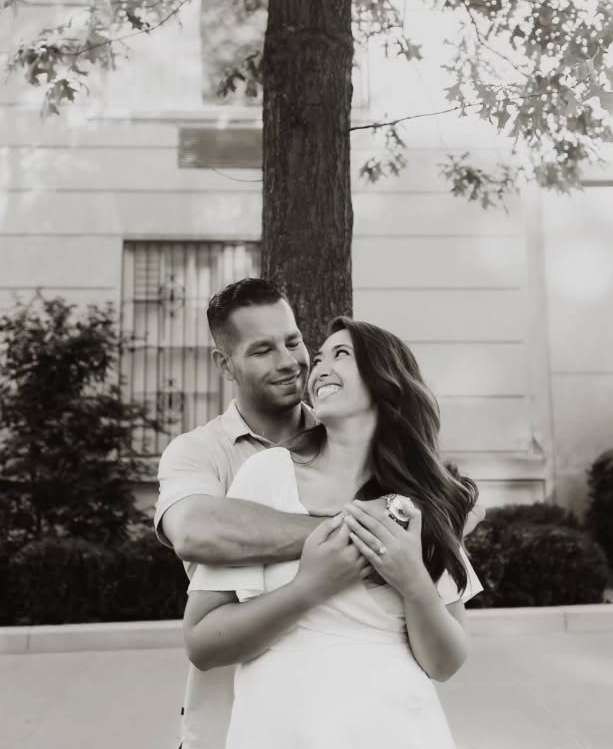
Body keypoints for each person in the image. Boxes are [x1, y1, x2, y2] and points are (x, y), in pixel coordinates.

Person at [182, 316, 481, 749]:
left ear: (387, 382)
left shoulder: (423, 500)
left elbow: (444, 664)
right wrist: (310, 587)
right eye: (319, 357)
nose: (319, 368)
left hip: (401, 731)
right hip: (282, 731)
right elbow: (201, 643)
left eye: (341, 354)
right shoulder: (267, 475)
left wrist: (414, 582)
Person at [155, 278, 381, 749]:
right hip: (230, 725)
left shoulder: (349, 436)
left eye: (293, 341)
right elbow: (196, 532)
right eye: (262, 351)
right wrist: (363, 533)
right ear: (225, 364)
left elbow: (441, 510)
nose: (288, 362)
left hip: (344, 721)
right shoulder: (199, 452)